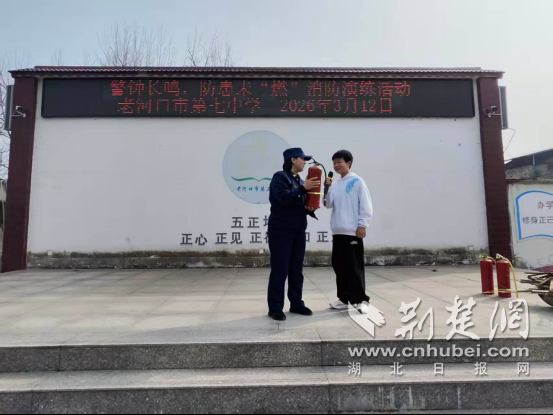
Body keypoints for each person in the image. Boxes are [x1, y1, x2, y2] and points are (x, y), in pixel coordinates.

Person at [267, 148, 320, 321]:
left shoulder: (300, 181)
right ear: (292, 160)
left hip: (298, 230)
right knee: (280, 269)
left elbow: (298, 204)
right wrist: (303, 189)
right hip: (281, 231)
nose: (305, 162)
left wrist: (309, 209)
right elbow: (283, 198)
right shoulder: (280, 177)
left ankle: (296, 303)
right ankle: (275, 308)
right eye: (302, 159)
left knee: (296, 269)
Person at [325, 150, 373, 313]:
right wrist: (327, 188)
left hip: (352, 231)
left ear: (348, 163)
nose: (336, 165)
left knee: (354, 267)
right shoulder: (335, 184)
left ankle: (361, 300)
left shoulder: (357, 181)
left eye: (339, 162)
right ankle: (344, 298)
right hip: (338, 231)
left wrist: (363, 225)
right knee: (339, 266)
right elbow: (328, 204)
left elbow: (366, 205)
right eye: (334, 163)